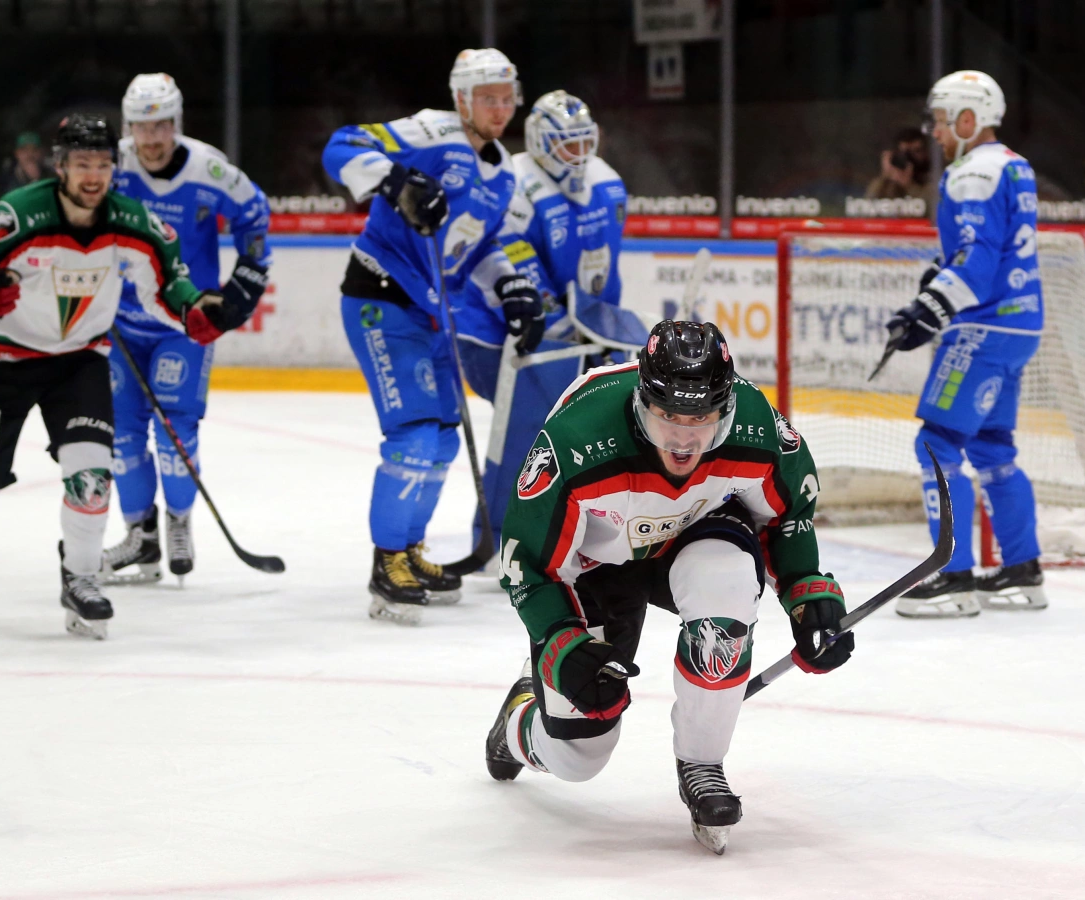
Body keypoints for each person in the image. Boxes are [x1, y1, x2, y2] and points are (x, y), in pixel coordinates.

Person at [483, 320, 853, 855]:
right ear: (641, 402)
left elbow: (787, 515)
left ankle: (703, 763)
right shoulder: (576, 440)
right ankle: (519, 723)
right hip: (594, 567)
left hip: (693, 535)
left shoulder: (757, 426)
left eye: (700, 419)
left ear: (725, 407)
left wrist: (807, 593)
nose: (683, 439)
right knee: (579, 756)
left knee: (725, 582)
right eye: (668, 417)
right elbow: (529, 564)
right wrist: (561, 642)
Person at [0, 114, 259, 639]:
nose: (93, 175)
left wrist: (194, 312)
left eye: (102, 164)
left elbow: (168, 284)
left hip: (78, 361)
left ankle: (80, 578)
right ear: (60, 167)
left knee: (92, 477)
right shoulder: (17, 216)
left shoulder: (132, 222)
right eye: (81, 164)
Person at [322, 48, 541, 624]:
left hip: (431, 313)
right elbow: (342, 145)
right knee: (416, 435)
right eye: (487, 98)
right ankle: (387, 561)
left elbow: (481, 247)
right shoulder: (431, 131)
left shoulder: (505, 172)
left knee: (442, 439)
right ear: (462, 99)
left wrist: (511, 285)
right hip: (381, 294)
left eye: (506, 98)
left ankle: (408, 550)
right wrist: (396, 179)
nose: (499, 109)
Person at [884, 70, 1047, 618]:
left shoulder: (973, 171)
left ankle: (952, 576)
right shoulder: (1014, 165)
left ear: (969, 119)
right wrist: (940, 276)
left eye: (940, 120)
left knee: (937, 443)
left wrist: (929, 308)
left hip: (982, 327)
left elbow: (977, 258)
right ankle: (1022, 571)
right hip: (1021, 324)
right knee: (993, 448)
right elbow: (991, 248)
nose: (933, 131)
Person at [455, 89, 643, 559]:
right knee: (533, 426)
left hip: (574, 331)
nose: (578, 155)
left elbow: (604, 269)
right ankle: (503, 535)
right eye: (567, 144)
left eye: (584, 143)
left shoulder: (607, 183)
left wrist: (603, 327)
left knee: (591, 427)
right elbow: (511, 266)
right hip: (495, 331)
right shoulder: (515, 185)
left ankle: (576, 527)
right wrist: (553, 321)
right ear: (541, 142)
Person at [103, 73, 271, 585]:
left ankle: (178, 520)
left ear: (176, 122)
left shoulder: (209, 169)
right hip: (119, 324)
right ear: (129, 126)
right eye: (141, 126)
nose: (151, 138)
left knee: (175, 430)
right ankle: (140, 535)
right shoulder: (112, 165)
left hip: (184, 322)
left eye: (161, 126)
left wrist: (248, 276)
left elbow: (254, 214)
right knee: (121, 437)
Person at [864, 127, 934, 204]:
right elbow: (869, 203)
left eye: (916, 151)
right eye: (905, 152)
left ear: (926, 153)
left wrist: (909, 186)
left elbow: (930, 206)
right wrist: (885, 177)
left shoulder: (933, 180)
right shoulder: (887, 182)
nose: (910, 158)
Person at [0, 131, 45, 197]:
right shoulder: (5, 179)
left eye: (34, 150)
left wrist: (37, 180)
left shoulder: (49, 176)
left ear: (41, 153)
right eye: (24, 150)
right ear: (17, 153)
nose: (30, 155)